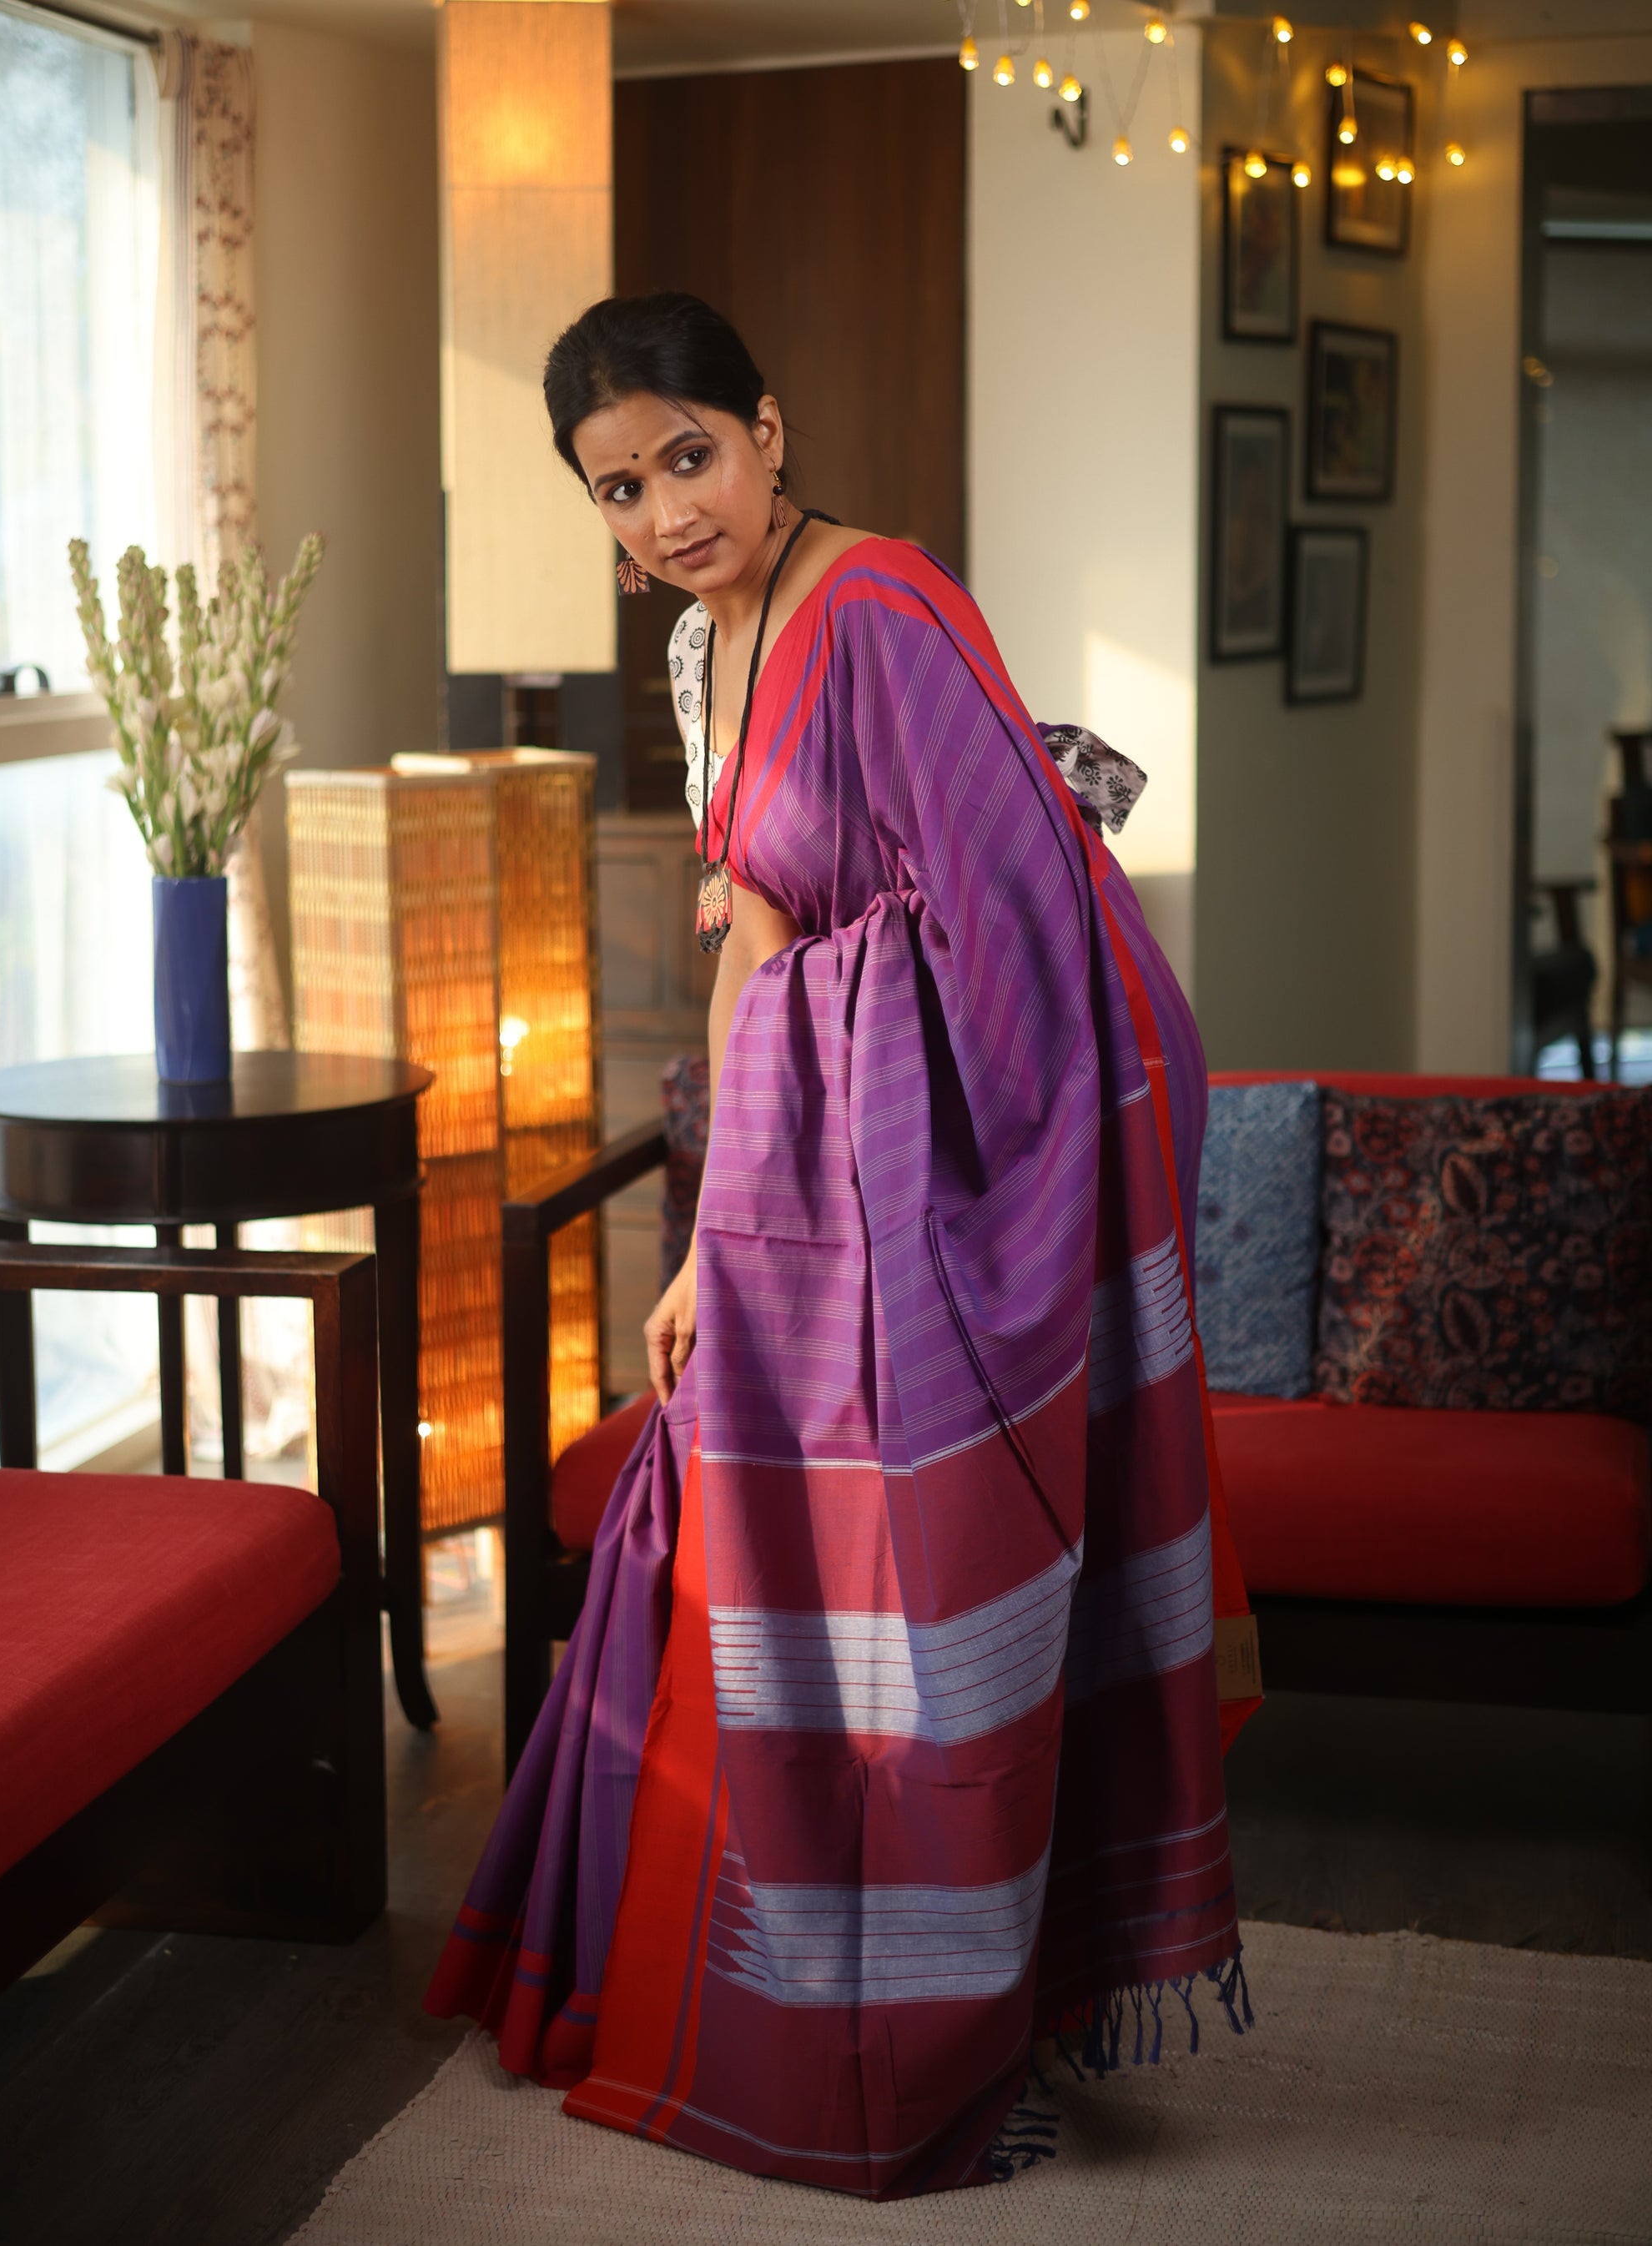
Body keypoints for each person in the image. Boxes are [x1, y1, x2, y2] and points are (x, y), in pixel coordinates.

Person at [426, 291, 1258, 2200]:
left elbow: (1020, 927)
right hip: (799, 1212)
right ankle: (745, 1998)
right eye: (618, 487)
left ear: (769, 429)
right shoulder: (699, 652)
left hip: (926, 1203)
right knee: (739, 1593)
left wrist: (822, 996)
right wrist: (704, 1246)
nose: (666, 512)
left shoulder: (879, 605)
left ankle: (927, 2029)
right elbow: (751, 945)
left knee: (914, 1634)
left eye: (690, 456)